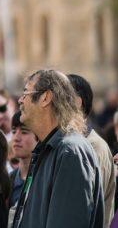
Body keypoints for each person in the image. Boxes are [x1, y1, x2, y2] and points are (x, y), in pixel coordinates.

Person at [13, 69, 104, 228]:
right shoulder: (47, 149)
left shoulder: (70, 152)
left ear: (45, 98)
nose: (20, 100)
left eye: (26, 93)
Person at [68, 73, 116, 227]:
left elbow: (87, 207)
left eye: (59, 96)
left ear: (77, 102)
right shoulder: (63, 143)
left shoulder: (94, 147)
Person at [8, 112, 38, 209]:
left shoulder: (43, 179)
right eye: (13, 132)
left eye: (24, 132)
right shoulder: (8, 180)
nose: (16, 138)